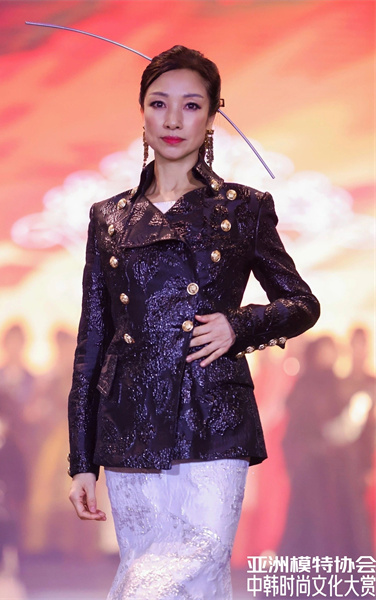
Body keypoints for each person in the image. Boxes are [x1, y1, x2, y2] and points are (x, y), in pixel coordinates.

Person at [67, 45, 320, 599]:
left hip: (213, 414)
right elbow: (93, 342)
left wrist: (239, 325)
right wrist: (81, 460)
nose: (173, 120)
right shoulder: (108, 217)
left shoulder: (244, 208)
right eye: (159, 103)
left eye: (191, 105)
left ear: (211, 116)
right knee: (174, 573)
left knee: (196, 558)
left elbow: (302, 303)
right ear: (141, 111)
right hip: (131, 419)